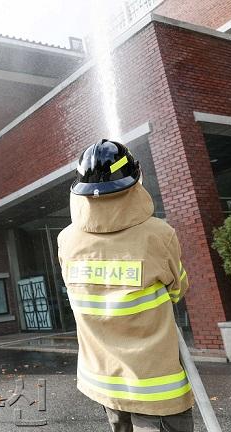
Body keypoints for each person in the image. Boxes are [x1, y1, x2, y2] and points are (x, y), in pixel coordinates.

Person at [57, 139, 194, 432]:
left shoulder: (66, 241)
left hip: (104, 382)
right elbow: (178, 289)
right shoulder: (158, 235)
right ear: (136, 178)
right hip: (155, 389)